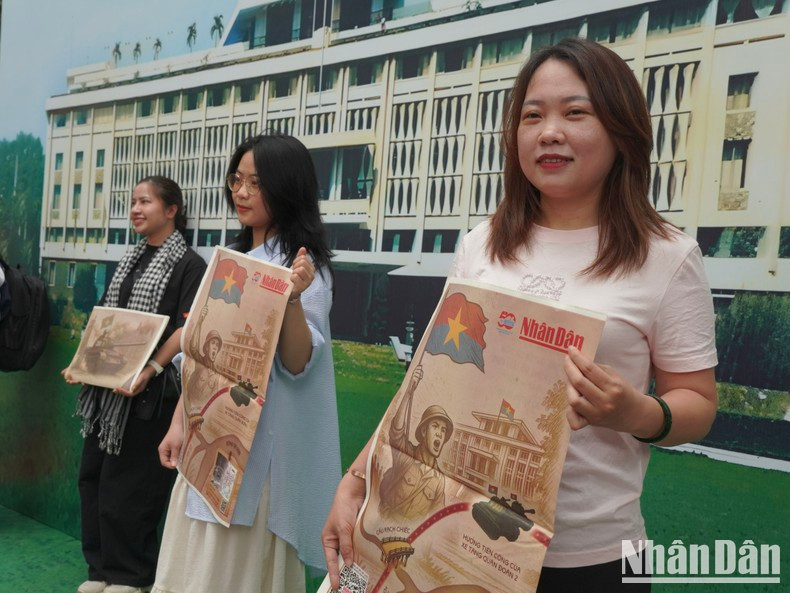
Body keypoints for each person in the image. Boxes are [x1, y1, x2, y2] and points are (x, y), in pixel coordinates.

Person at [321, 38, 717, 593]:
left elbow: (697, 404)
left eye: (575, 112)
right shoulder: (481, 245)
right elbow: (428, 381)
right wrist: (356, 479)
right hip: (455, 538)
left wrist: (635, 412)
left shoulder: (669, 258)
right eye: (533, 116)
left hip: (591, 559)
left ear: (622, 129)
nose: (549, 131)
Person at [153, 133, 341, 593]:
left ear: (287, 187)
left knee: (232, 574)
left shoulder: (304, 269)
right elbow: (200, 354)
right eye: (237, 179)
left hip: (257, 461)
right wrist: (180, 423)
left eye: (256, 182)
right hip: (206, 446)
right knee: (191, 568)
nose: (241, 192)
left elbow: (299, 363)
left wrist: (292, 299)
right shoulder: (231, 263)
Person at [63, 176, 207, 593]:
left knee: (131, 489)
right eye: (133, 202)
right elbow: (108, 323)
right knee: (93, 480)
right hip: (107, 396)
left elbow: (186, 328)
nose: (136, 209)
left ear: (172, 210)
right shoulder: (131, 259)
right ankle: (102, 571)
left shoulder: (190, 265)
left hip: (149, 396)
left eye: (145, 201)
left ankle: (131, 577)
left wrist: (152, 369)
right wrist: (83, 365)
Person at [379, 368, 454, 521]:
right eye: (435, 426)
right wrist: (409, 391)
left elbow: (437, 520)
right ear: (424, 431)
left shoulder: (439, 481)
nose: (440, 433)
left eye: (443, 429)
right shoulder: (406, 455)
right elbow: (396, 431)